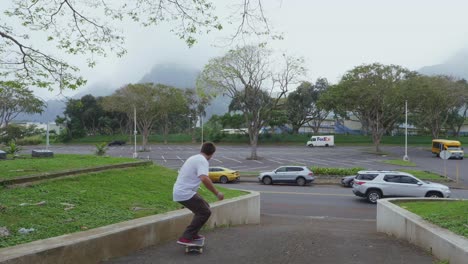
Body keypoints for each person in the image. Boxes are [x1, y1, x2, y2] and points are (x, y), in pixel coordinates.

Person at [173, 141, 224, 245]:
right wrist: (217, 193)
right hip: (184, 193)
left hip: (183, 191)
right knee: (205, 212)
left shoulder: (194, 157)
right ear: (212, 153)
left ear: (202, 149)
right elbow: (204, 178)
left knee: (205, 207)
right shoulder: (202, 161)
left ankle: (193, 234)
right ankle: (185, 238)